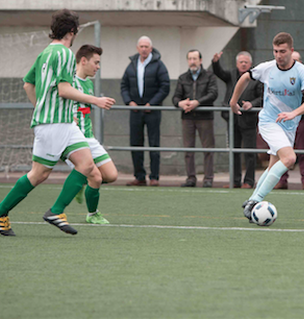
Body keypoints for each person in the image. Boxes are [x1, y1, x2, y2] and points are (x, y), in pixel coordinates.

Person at [0, 10, 105, 236]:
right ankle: (0, 211)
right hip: (54, 124)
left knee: (87, 164)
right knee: (38, 175)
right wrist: (95, 100)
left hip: (62, 123)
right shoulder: (65, 54)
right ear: (72, 32)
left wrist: (40, 108)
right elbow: (64, 90)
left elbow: (27, 85)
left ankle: (56, 210)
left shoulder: (44, 54)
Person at [230, 32, 304, 222]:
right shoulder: (267, 68)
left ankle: (252, 199)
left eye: (283, 51)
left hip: (289, 125)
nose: (279, 55)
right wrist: (233, 100)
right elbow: (246, 77)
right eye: (276, 51)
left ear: (291, 51)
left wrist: (294, 114)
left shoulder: (301, 71)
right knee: (289, 158)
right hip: (270, 122)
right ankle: (255, 200)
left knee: (273, 167)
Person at [69, 44, 118, 224]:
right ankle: (92, 214)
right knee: (96, 176)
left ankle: (81, 182)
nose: (98, 66)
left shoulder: (88, 84)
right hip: (72, 141)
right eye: (96, 62)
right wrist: (68, 118)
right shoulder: (68, 82)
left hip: (89, 138)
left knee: (111, 175)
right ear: (83, 61)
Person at [120, 36, 170, 186]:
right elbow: (124, 86)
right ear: (137, 48)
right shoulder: (132, 65)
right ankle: (139, 176)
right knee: (135, 143)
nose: (143, 49)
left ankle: (154, 177)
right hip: (135, 111)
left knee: (153, 143)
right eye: (141, 46)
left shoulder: (159, 65)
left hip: (152, 111)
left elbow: (165, 86)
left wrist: (152, 103)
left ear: (151, 48)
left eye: (146, 46)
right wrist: (129, 102)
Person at [212, 50, 263, 189]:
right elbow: (219, 73)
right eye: (241, 62)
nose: (243, 64)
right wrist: (215, 62)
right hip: (232, 119)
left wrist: (252, 104)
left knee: (250, 152)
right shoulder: (231, 75)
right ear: (237, 63)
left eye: (246, 62)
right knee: (233, 151)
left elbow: (262, 97)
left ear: (251, 64)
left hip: (249, 120)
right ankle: (235, 181)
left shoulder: (256, 78)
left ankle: (249, 181)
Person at [173, 50, 218, 187]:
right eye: (190, 59)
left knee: (208, 149)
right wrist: (180, 103)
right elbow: (175, 97)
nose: (192, 61)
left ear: (201, 60)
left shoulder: (209, 76)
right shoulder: (182, 78)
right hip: (187, 118)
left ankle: (208, 178)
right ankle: (191, 178)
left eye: (195, 58)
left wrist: (197, 102)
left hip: (205, 117)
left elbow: (213, 93)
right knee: (188, 149)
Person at [275, 51, 304, 190]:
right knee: (282, 152)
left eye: (296, 60)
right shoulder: (280, 76)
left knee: (302, 151)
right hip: (284, 121)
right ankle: (282, 180)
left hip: (300, 120)